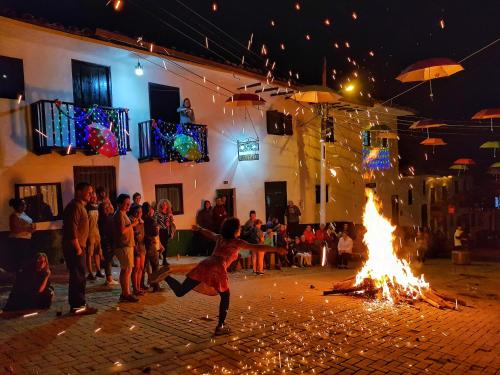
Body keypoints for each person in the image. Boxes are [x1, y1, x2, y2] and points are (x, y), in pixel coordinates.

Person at [149, 218, 287, 336]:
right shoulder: (237, 242)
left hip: (206, 263)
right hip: (218, 268)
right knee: (225, 296)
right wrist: (276, 249)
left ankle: (165, 276)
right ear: (235, 230)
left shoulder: (220, 238)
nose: (240, 230)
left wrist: (199, 228)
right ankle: (220, 327)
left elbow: (209, 234)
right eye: (238, 228)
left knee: (180, 291)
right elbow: (257, 247)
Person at [62, 182, 97, 315]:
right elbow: (72, 230)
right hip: (75, 249)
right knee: (78, 277)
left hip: (79, 247)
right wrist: (78, 249)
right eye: (88, 192)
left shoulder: (80, 207)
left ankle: (79, 304)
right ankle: (78, 306)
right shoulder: (75, 207)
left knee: (80, 277)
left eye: (91, 192)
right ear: (79, 192)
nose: (91, 195)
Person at [113, 194, 139, 303]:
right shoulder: (119, 214)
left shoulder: (123, 213)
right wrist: (133, 225)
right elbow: (122, 231)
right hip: (123, 245)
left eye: (129, 204)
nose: (129, 206)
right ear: (119, 204)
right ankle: (126, 293)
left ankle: (125, 292)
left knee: (127, 269)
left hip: (127, 245)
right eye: (126, 204)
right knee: (127, 269)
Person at [8, 198, 36, 271]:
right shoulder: (14, 216)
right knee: (20, 260)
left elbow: (29, 226)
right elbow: (14, 229)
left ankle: (23, 275)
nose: (25, 206)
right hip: (18, 240)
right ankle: (18, 276)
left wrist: (32, 228)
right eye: (22, 204)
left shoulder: (24, 214)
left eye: (25, 204)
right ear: (17, 206)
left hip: (26, 239)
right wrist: (27, 228)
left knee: (26, 259)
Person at [143, 202, 162, 292]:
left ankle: (141, 285)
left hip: (142, 245)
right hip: (150, 243)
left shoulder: (141, 219)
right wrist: (157, 228)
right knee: (155, 265)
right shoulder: (151, 220)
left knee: (144, 267)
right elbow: (155, 233)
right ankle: (156, 285)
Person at [98, 200, 117, 286]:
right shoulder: (105, 218)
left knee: (108, 260)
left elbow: (112, 210)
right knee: (108, 260)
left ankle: (109, 278)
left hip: (108, 241)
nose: (109, 207)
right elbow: (108, 231)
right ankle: (109, 279)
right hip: (107, 241)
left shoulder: (106, 217)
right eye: (107, 207)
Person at [86, 192, 104, 280]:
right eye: (92, 196)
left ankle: (98, 271)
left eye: (95, 196)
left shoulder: (96, 206)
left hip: (96, 231)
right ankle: (90, 273)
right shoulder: (86, 207)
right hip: (89, 232)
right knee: (89, 253)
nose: (94, 198)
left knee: (97, 252)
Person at [129, 205, 146, 296]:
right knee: (136, 268)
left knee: (141, 268)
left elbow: (143, 234)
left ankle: (139, 287)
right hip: (135, 246)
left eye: (141, 212)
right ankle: (135, 288)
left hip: (142, 246)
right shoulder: (131, 220)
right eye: (137, 212)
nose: (139, 213)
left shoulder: (141, 221)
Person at [156, 199, 175, 266]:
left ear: (168, 205)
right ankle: (157, 261)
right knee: (158, 246)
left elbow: (170, 223)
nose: (164, 205)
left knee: (165, 245)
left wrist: (170, 218)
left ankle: (164, 260)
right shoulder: (157, 213)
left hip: (165, 230)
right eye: (163, 204)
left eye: (166, 204)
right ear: (160, 205)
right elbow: (155, 222)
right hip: (159, 231)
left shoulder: (168, 213)